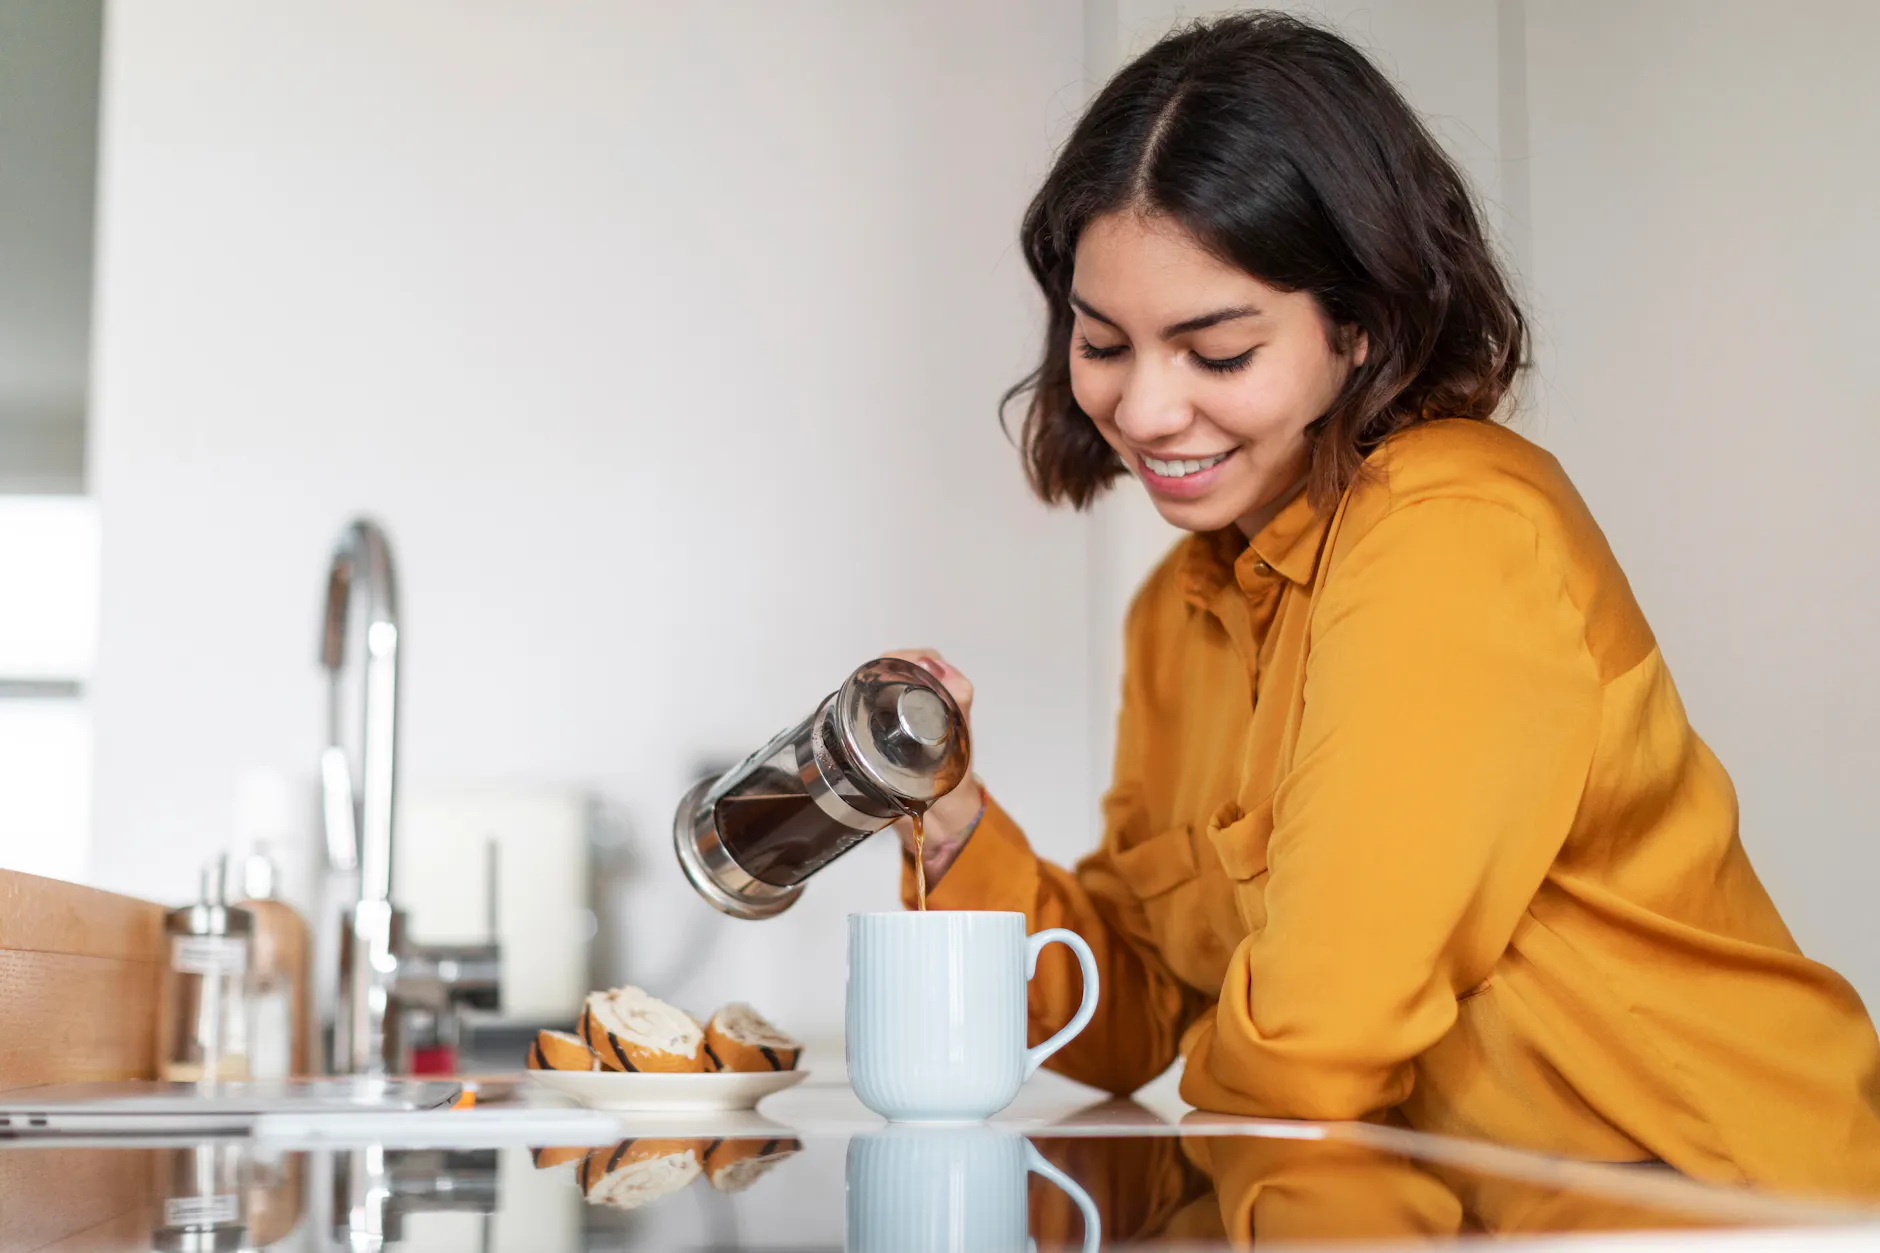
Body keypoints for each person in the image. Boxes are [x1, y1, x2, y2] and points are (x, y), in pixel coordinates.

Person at [887, 11, 1880, 1194]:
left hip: (1722, 1203)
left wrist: (1240, 1054)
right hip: (1458, 1207)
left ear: (1355, 327)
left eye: (1214, 352)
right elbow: (1127, 1015)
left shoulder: (1450, 530)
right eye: (1104, 342)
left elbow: (1316, 1049)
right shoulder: (1180, 605)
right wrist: (944, 816)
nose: (1144, 409)